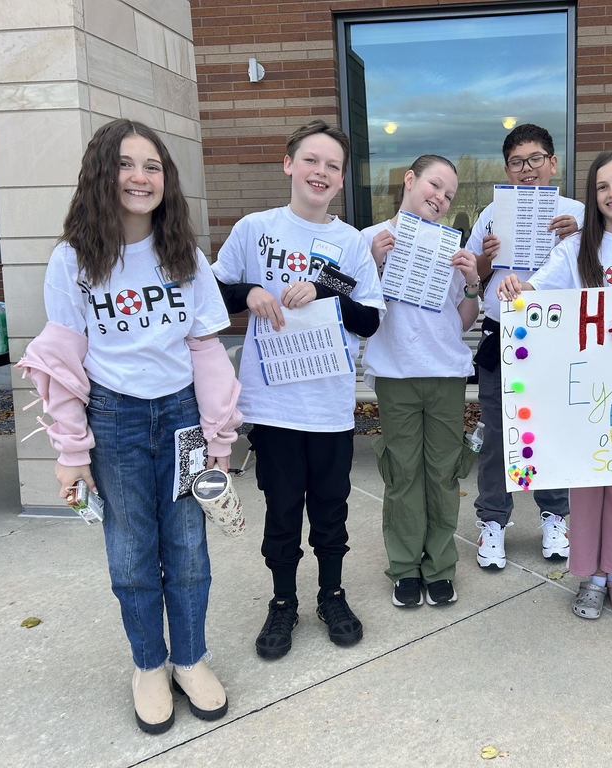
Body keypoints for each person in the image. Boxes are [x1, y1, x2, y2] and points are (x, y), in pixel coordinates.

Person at [17, 119, 241, 733]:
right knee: (132, 552)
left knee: (189, 549)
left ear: (166, 180)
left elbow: (206, 353)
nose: (140, 177)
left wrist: (220, 435)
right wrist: (70, 450)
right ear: (101, 174)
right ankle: (149, 664)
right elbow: (62, 360)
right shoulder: (73, 260)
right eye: (126, 164)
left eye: (152, 166)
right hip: (113, 420)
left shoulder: (185, 256)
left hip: (182, 419)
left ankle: (191, 659)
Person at [212, 121, 384, 660]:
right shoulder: (254, 228)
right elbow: (214, 293)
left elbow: (370, 320)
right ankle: (283, 601)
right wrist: (252, 291)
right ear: (289, 165)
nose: (321, 172)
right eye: (312, 160)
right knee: (282, 509)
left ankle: (331, 594)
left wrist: (327, 291)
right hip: (275, 403)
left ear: (340, 181)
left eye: (333, 166)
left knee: (331, 510)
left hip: (330, 404)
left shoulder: (350, 242)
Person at [497, 150, 612, 620]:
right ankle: (590, 577)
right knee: (587, 479)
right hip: (586, 384)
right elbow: (539, 289)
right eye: (601, 187)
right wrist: (517, 288)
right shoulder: (575, 249)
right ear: (592, 197)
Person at [360, 155, 481, 608]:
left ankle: (441, 566)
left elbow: (462, 319)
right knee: (402, 473)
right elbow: (355, 313)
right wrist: (372, 262)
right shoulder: (369, 239)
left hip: (447, 374)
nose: (440, 198)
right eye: (435, 184)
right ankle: (405, 566)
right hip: (395, 375)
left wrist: (471, 281)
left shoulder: (451, 247)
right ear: (410, 179)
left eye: (449, 194)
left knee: (444, 474)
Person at [470, 123, 584, 570]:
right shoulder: (491, 213)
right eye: (517, 162)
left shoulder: (578, 213)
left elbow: (595, 273)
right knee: (498, 432)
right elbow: (472, 277)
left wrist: (579, 236)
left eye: (536, 159)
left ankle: (555, 516)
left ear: (552, 163)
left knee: (551, 429)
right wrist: (486, 256)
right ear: (507, 170)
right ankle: (493, 521)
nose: (527, 169)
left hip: (557, 337)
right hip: (504, 333)